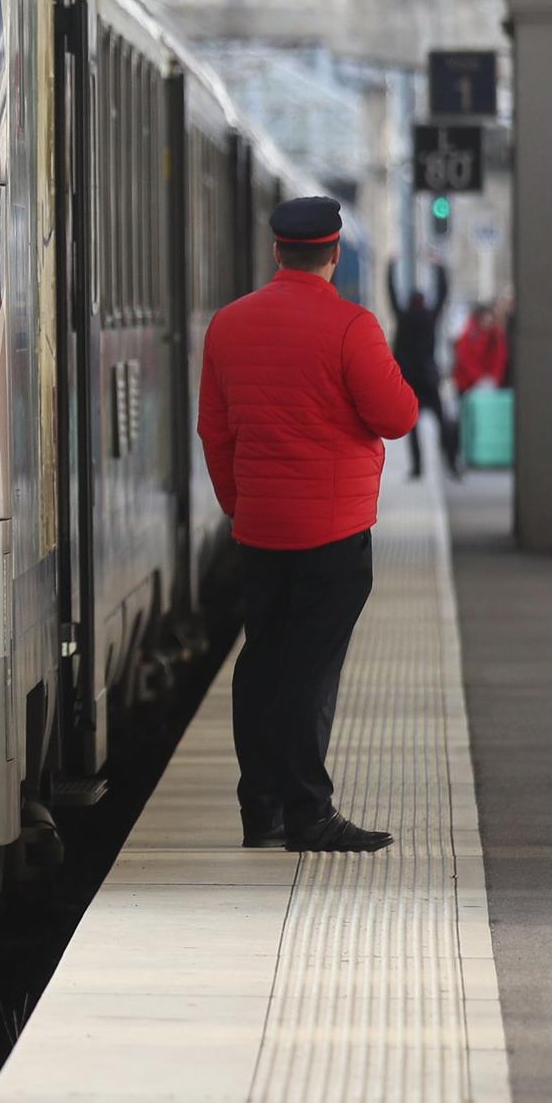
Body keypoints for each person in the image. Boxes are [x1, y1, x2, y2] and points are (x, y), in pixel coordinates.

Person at [199, 196, 419, 854]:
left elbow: (215, 430)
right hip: (333, 531)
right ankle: (309, 813)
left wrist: (240, 502)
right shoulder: (353, 327)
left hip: (261, 528)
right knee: (309, 672)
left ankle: (259, 809)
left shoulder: (229, 324)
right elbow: (398, 416)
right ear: (334, 253)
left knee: (262, 662)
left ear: (277, 252)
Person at [386, 260, 457, 479]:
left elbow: (391, 294)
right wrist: (439, 268)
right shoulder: (429, 318)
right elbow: (443, 295)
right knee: (442, 421)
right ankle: (451, 464)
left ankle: (418, 468)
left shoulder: (403, 318)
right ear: (424, 302)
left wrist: (390, 266)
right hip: (428, 379)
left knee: (413, 428)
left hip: (409, 381)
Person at [452, 297, 510, 396]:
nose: (488, 322)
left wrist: (494, 379)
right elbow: (465, 360)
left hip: (490, 384)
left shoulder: (497, 336)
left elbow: (500, 358)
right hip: (468, 385)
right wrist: (479, 378)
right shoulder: (468, 336)